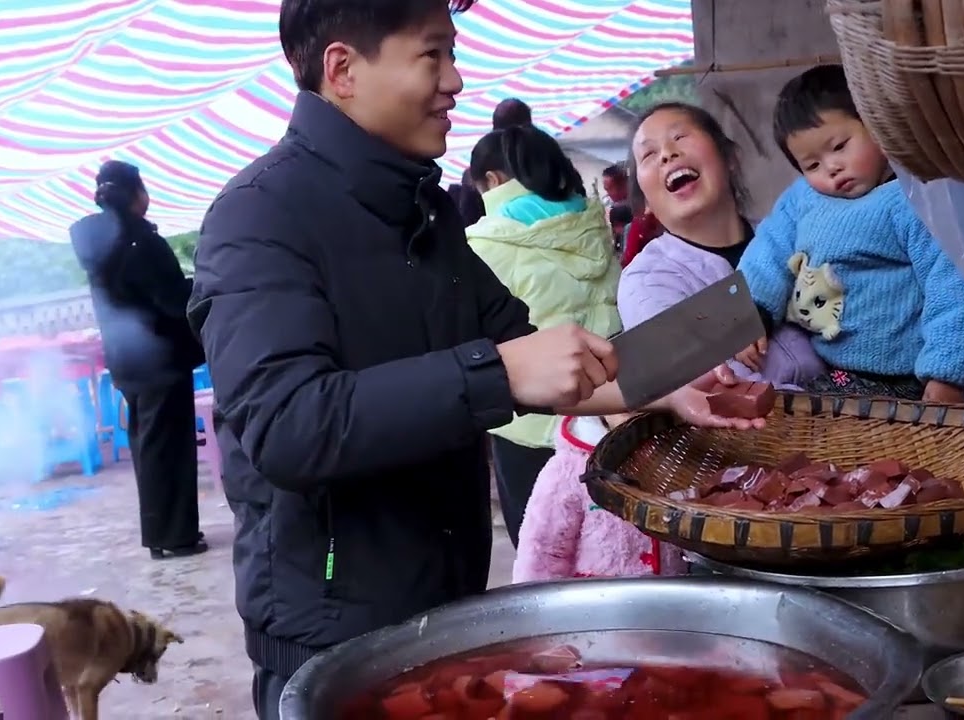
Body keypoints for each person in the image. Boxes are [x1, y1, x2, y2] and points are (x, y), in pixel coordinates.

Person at [188, 2, 761, 717]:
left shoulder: (423, 212)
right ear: (343, 69)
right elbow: (287, 425)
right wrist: (498, 373)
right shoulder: (259, 216)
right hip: (333, 638)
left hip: (451, 608)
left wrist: (662, 387)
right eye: (432, 55)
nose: (456, 80)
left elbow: (543, 357)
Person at [734, 65, 964, 401]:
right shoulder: (801, 199)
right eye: (812, 165)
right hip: (831, 372)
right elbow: (767, 253)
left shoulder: (916, 197)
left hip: (907, 380)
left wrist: (948, 374)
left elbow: (956, 284)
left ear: (879, 126)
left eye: (840, 146)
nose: (831, 167)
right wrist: (751, 313)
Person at [464, 124, 622, 547]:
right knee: (603, 542)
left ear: (493, 182)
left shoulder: (483, 242)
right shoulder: (593, 224)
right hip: (606, 407)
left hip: (530, 421)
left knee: (542, 549)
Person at [621, 102, 824, 386]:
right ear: (644, 204)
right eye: (649, 154)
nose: (667, 154)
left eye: (680, 137)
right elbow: (715, 392)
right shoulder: (647, 282)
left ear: (730, 157)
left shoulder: (788, 237)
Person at [69, 160, 206, 560]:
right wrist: (199, 286)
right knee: (171, 450)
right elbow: (168, 301)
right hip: (159, 359)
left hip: (126, 363)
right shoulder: (140, 243)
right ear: (134, 195)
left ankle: (158, 534)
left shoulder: (97, 246)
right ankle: (177, 536)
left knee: (148, 448)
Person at [511, 411, 686, 582]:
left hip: (667, 600)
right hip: (593, 603)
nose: (635, 403)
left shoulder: (680, 462)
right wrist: (540, 607)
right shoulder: (568, 469)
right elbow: (541, 551)